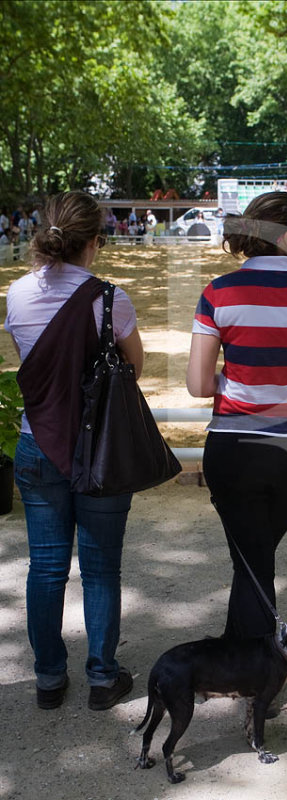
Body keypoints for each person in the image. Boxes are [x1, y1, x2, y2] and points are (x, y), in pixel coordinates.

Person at [4, 190, 144, 709]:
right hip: (98, 450)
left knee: (45, 569)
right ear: (95, 244)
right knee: (102, 567)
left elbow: (34, 366)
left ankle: (48, 678)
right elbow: (134, 369)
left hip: (37, 444)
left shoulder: (16, 295)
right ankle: (103, 678)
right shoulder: (111, 300)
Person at [187, 192, 287, 641]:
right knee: (255, 560)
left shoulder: (219, 291)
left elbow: (198, 385)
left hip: (235, 445)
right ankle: (248, 657)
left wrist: (234, 377)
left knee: (252, 561)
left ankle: (250, 664)